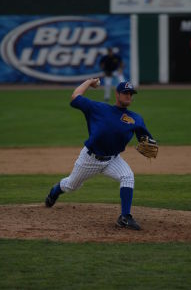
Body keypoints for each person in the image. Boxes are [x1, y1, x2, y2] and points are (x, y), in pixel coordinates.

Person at [45, 78, 155, 230]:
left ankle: (125, 217)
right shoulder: (98, 108)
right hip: (90, 159)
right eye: (125, 93)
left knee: (128, 176)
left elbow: (145, 139)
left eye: (131, 93)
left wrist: (148, 142)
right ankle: (55, 191)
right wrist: (89, 82)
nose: (128, 96)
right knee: (71, 186)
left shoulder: (136, 118)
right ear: (117, 94)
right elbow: (75, 97)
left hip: (113, 160)